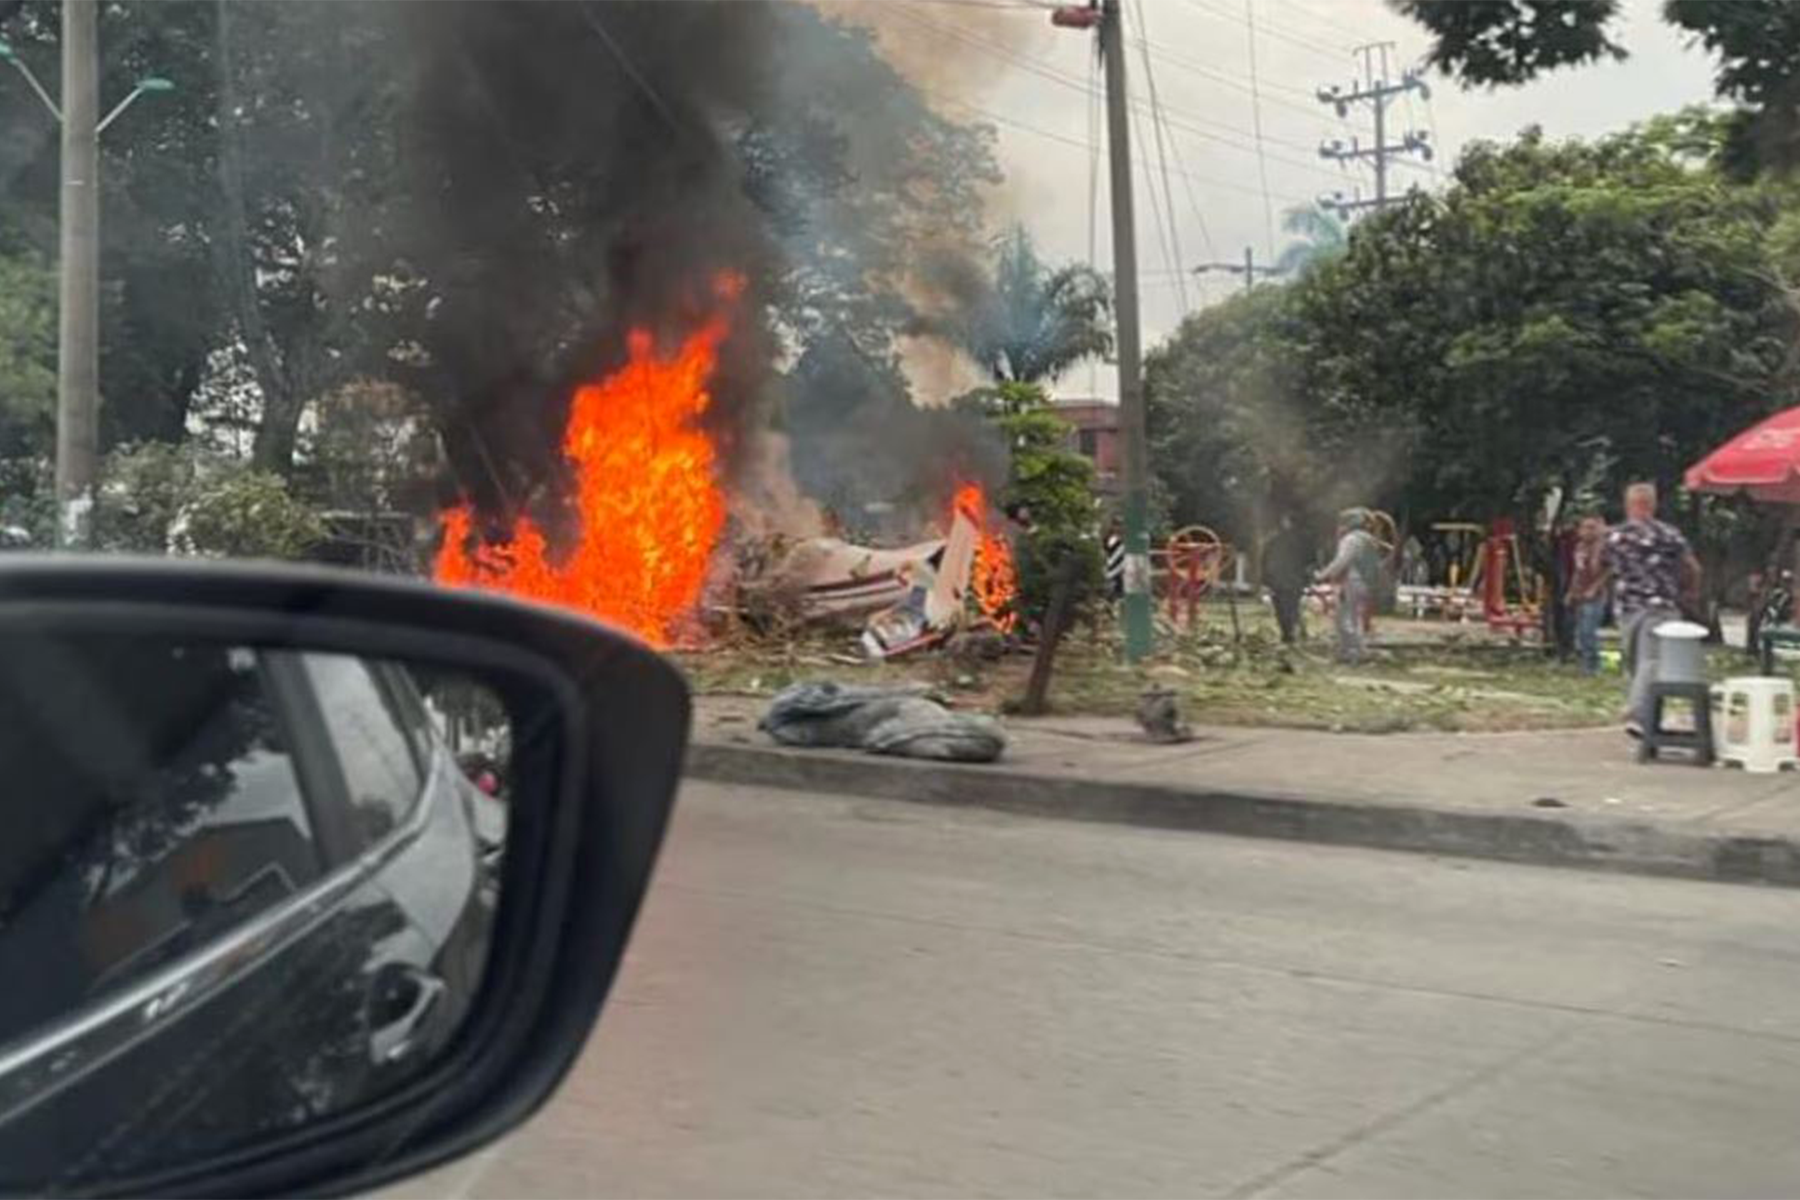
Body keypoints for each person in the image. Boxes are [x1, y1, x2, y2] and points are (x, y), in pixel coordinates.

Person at [1604, 482, 1701, 737]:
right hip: (1661, 606)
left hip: (1627, 607)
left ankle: (1639, 714)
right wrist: (1689, 592)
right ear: (1653, 504)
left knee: (1635, 662)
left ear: (1628, 505)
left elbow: (1598, 564)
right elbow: (1692, 567)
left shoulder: (1615, 535)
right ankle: (1641, 714)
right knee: (1652, 661)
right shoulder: (1669, 534)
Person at [1315, 508, 1383, 664]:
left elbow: (1342, 561)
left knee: (1344, 619)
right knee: (1355, 619)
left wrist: (1323, 575)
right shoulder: (1370, 540)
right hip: (1366, 584)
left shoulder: (1351, 540)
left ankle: (1352, 652)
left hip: (1352, 582)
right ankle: (1355, 651)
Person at [1566, 514, 1610, 675]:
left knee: (1589, 629)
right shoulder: (1579, 548)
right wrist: (1571, 591)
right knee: (1580, 632)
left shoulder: (1602, 548)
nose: (1587, 532)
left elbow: (1608, 571)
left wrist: (1595, 587)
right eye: (1585, 527)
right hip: (1579, 593)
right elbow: (1577, 571)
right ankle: (1585, 663)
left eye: (1592, 528)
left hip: (1595, 596)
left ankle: (1594, 666)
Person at [1262, 512, 1310, 646]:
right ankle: (1289, 633)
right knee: (1290, 607)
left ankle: (1288, 633)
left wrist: (1266, 578)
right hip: (1289, 580)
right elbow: (1308, 560)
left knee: (1283, 608)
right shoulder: (1300, 540)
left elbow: (1265, 560)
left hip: (1282, 580)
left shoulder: (1273, 540)